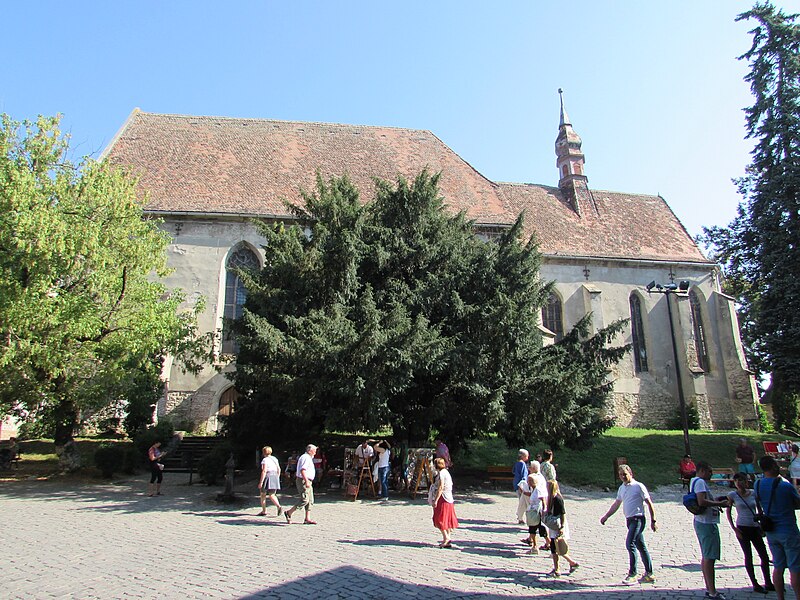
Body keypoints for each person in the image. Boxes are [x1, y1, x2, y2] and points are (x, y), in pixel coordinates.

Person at [600, 464, 657, 584]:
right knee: (641, 546)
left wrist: (653, 520)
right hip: (629, 520)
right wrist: (606, 516)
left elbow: (649, 503)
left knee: (630, 544)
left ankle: (633, 574)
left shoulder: (638, 486)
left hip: (638, 519)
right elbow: (617, 504)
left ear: (630, 473)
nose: (623, 477)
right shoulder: (622, 488)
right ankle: (649, 573)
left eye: (625, 474)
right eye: (620, 475)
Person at [755, 456, 800, 600]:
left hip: (771, 530)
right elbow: (797, 503)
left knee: (778, 566)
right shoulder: (785, 485)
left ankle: (780, 597)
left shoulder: (758, 484)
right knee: (795, 567)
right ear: (774, 467)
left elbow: (758, 503)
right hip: (788, 529)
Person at [726, 472, 772, 594]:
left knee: (764, 555)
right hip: (742, 527)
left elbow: (759, 509)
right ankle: (755, 583)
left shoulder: (753, 493)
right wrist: (734, 529)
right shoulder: (732, 495)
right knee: (748, 556)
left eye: (742, 480)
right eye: (737, 481)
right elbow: (728, 512)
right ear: (734, 483)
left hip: (754, 527)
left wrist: (761, 522)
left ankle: (768, 581)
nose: (740, 483)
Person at [691, 461, 729, 600]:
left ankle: (709, 588)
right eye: (709, 471)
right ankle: (712, 591)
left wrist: (715, 500)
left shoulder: (694, 481)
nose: (711, 474)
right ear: (702, 471)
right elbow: (701, 502)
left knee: (706, 556)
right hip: (706, 523)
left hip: (701, 521)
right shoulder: (700, 482)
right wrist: (720, 503)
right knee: (709, 557)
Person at [544, 480, 579, 577]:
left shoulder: (557, 499)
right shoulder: (551, 498)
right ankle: (570, 564)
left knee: (556, 548)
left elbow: (562, 514)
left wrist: (562, 527)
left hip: (558, 525)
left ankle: (558, 569)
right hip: (553, 525)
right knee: (555, 547)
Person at [284, 444, 317, 524]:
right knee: (304, 499)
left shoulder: (308, 458)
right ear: (309, 450)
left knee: (310, 500)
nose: (315, 452)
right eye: (314, 450)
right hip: (303, 480)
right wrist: (306, 481)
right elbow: (303, 470)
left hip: (307, 480)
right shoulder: (305, 458)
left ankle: (307, 518)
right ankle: (289, 513)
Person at [430, 457, 458, 547]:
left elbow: (441, 487)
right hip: (449, 498)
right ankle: (447, 537)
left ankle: (446, 538)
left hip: (443, 498)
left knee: (439, 518)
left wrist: (436, 500)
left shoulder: (442, 473)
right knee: (447, 519)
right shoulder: (446, 472)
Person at [521, 461, 548, 554]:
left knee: (536, 527)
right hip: (534, 509)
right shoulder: (535, 484)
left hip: (537, 510)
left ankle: (537, 546)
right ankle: (537, 543)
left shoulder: (538, 482)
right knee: (536, 527)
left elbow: (542, 498)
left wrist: (544, 509)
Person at [257, 446, 283, 517]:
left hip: (268, 476)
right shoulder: (275, 458)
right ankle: (278, 506)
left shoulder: (265, 460)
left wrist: (261, 482)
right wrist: (277, 477)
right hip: (275, 476)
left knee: (263, 494)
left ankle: (264, 510)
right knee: (272, 494)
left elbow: (264, 470)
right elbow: (279, 469)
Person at [513, 449, 530, 523]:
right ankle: (521, 518)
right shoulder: (522, 464)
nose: (528, 457)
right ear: (523, 456)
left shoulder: (517, 463)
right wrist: (523, 485)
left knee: (521, 501)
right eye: (527, 456)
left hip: (516, 484)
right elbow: (524, 475)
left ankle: (520, 517)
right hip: (521, 485)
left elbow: (513, 471)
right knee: (523, 502)